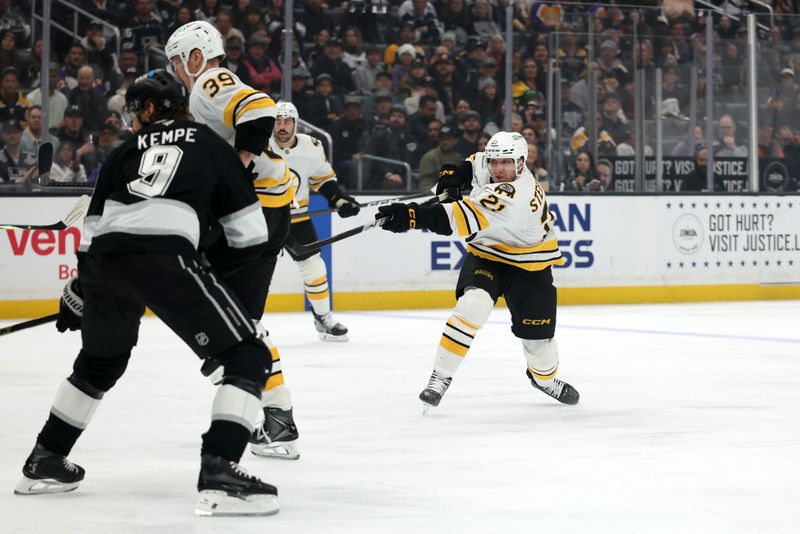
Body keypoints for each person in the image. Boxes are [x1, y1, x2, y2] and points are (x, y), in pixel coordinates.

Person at [13, 70, 280, 516]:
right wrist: (203, 246)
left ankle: (45, 458)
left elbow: (89, 233)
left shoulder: (121, 154)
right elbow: (249, 236)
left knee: (99, 363)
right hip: (166, 258)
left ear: (151, 109)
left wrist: (81, 288)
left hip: (105, 262)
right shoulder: (211, 144)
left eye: (134, 110)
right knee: (249, 356)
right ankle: (220, 470)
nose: (130, 120)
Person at [166, 21, 299, 460]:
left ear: (195, 56)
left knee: (224, 324)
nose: (177, 73)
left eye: (177, 63)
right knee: (237, 322)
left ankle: (265, 409)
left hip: (252, 217)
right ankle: (273, 415)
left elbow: (261, 110)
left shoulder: (209, 80)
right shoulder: (208, 90)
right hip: (266, 215)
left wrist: (236, 169)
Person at [376, 131, 579, 410]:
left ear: (521, 163)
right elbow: (473, 163)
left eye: (505, 163)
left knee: (540, 350)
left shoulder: (514, 195)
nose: (497, 168)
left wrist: (410, 216)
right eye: (495, 161)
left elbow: (453, 218)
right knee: (472, 306)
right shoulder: (495, 165)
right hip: (487, 255)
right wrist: (453, 174)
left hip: (531, 265)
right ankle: (440, 377)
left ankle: (544, 380)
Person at [269, 101, 360, 341]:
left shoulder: (312, 147)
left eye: (287, 121)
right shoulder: (258, 146)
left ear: (295, 124)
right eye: (277, 121)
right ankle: (249, 324)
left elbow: (323, 180)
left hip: (298, 219)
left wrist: (338, 200)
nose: (282, 126)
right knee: (258, 272)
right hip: (264, 219)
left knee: (315, 269)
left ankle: (323, 319)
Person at [0, 119, 36, 183]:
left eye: (15, 132)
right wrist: (18, 181)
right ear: (2, 134)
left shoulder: (32, 158)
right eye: (8, 132)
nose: (12, 135)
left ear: (21, 134)